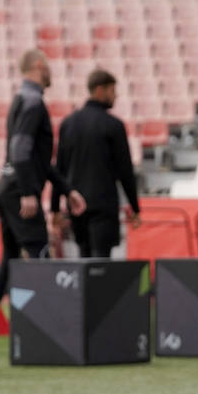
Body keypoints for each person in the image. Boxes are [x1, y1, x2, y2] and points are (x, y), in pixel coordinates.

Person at [0, 50, 84, 351]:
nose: (51, 72)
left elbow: (36, 159)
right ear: (37, 66)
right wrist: (28, 191)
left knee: (9, 259)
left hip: (6, 186)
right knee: (40, 252)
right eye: (48, 66)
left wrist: (67, 188)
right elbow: (21, 151)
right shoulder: (34, 103)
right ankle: (49, 334)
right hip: (18, 190)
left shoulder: (21, 100)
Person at [54, 68, 140, 260]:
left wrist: (54, 207)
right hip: (103, 206)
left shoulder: (68, 123)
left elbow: (59, 169)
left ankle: (85, 292)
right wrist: (134, 207)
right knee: (101, 263)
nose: (115, 95)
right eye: (112, 90)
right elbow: (125, 171)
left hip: (77, 205)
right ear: (100, 90)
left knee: (84, 259)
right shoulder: (114, 125)